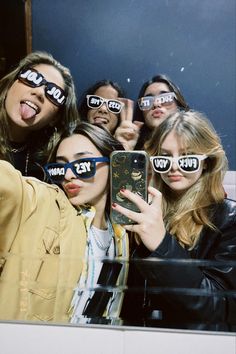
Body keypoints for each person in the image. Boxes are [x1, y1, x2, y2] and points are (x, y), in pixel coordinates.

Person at [113, 110, 236, 331]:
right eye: (164, 159)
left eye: (187, 159)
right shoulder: (146, 209)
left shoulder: (229, 218)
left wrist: (162, 244)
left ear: (207, 162)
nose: (174, 167)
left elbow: (220, 309)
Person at [0, 122, 128, 324]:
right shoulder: (46, 203)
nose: (68, 175)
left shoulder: (123, 232)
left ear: (114, 163)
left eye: (83, 165)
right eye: (60, 168)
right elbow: (11, 187)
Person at [0, 51, 79, 179]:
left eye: (54, 94)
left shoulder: (47, 166)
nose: (39, 92)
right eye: (32, 77)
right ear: (10, 84)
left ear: (55, 118)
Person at [115, 74, 189, 151]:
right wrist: (124, 152)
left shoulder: (197, 141)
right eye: (147, 101)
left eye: (165, 98)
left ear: (178, 104)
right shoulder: (133, 147)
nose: (156, 104)